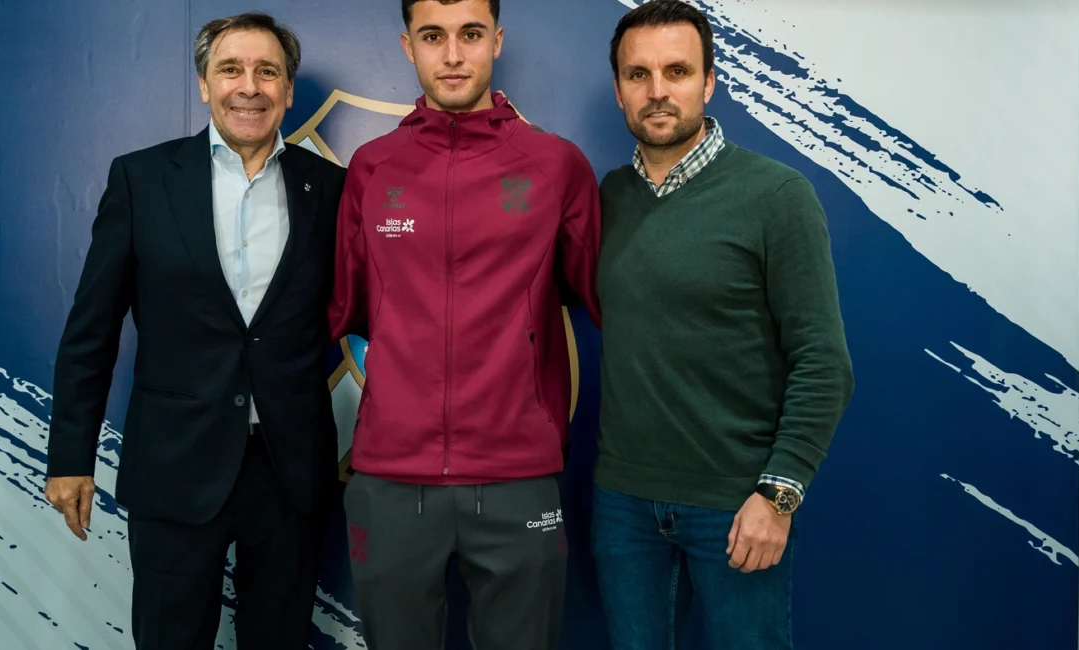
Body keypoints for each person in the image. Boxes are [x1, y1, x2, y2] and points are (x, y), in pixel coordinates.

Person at [42, 12, 346, 650]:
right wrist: (71, 456)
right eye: (230, 69)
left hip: (289, 469)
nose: (249, 87)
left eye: (268, 72)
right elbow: (91, 330)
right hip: (174, 464)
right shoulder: (142, 179)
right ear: (205, 85)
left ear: (289, 90)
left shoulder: (332, 190)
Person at [329, 1, 602, 648]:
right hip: (391, 477)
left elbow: (603, 297)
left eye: (470, 34)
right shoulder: (372, 167)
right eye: (433, 36)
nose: (452, 55)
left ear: (496, 40)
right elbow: (346, 308)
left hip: (518, 475)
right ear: (408, 46)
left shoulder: (556, 164)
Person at [591, 2, 855, 649]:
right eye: (638, 74)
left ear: (708, 82)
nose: (657, 91)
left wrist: (778, 494)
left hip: (738, 505)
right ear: (619, 89)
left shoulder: (777, 196)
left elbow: (824, 362)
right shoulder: (608, 198)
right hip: (623, 505)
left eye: (677, 71)